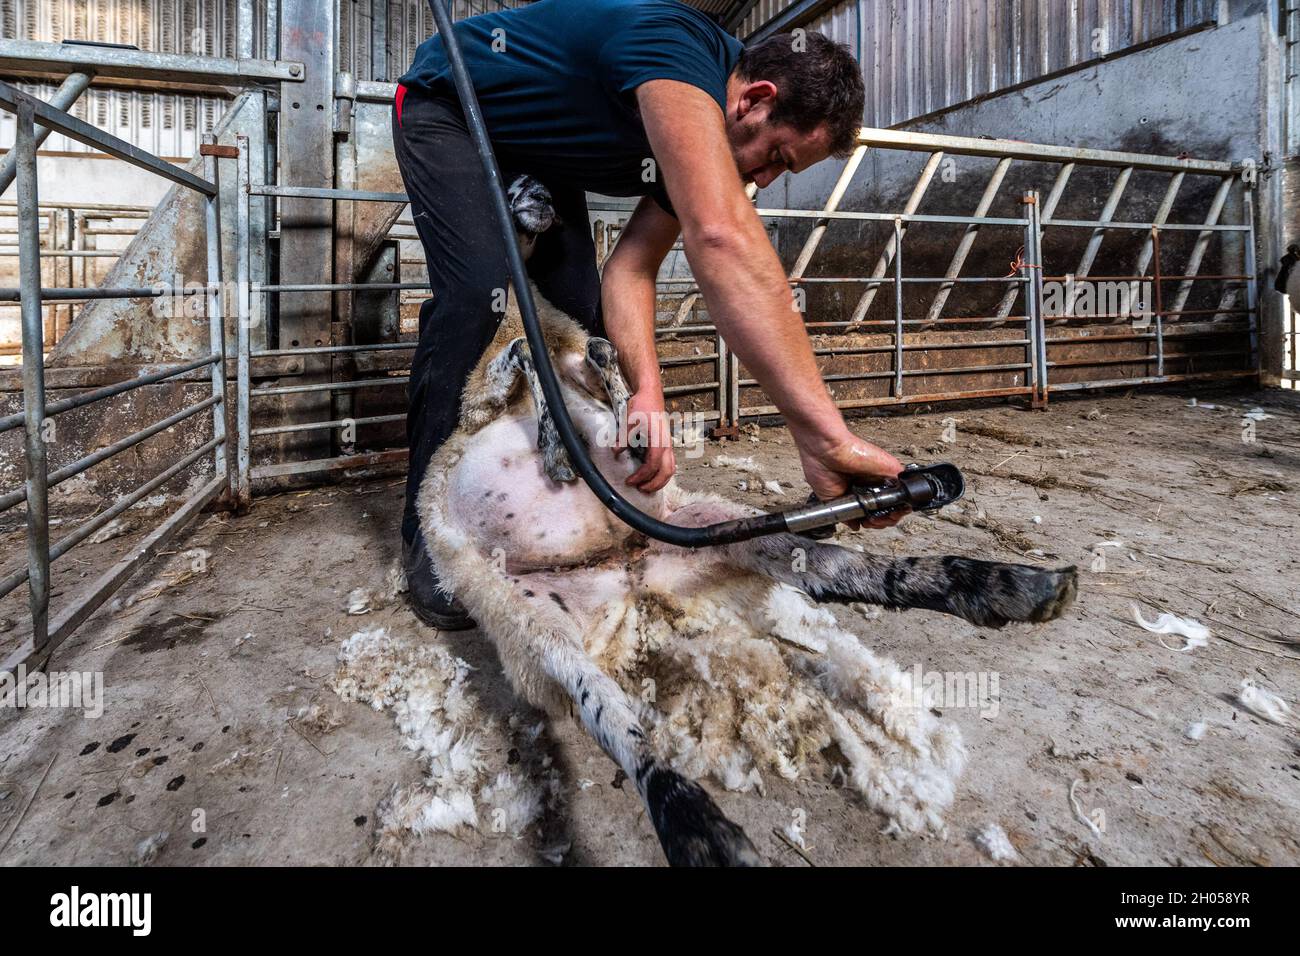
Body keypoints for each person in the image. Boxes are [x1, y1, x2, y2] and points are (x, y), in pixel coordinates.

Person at [393, 0, 903, 629]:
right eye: (778, 156)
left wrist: (649, 392)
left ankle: (552, 496)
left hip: (541, 150)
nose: (767, 180)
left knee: (580, 320)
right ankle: (430, 535)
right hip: (450, 110)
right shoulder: (673, 52)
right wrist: (825, 438)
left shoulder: (706, 131)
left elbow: (631, 269)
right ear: (756, 100)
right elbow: (719, 236)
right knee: (475, 294)